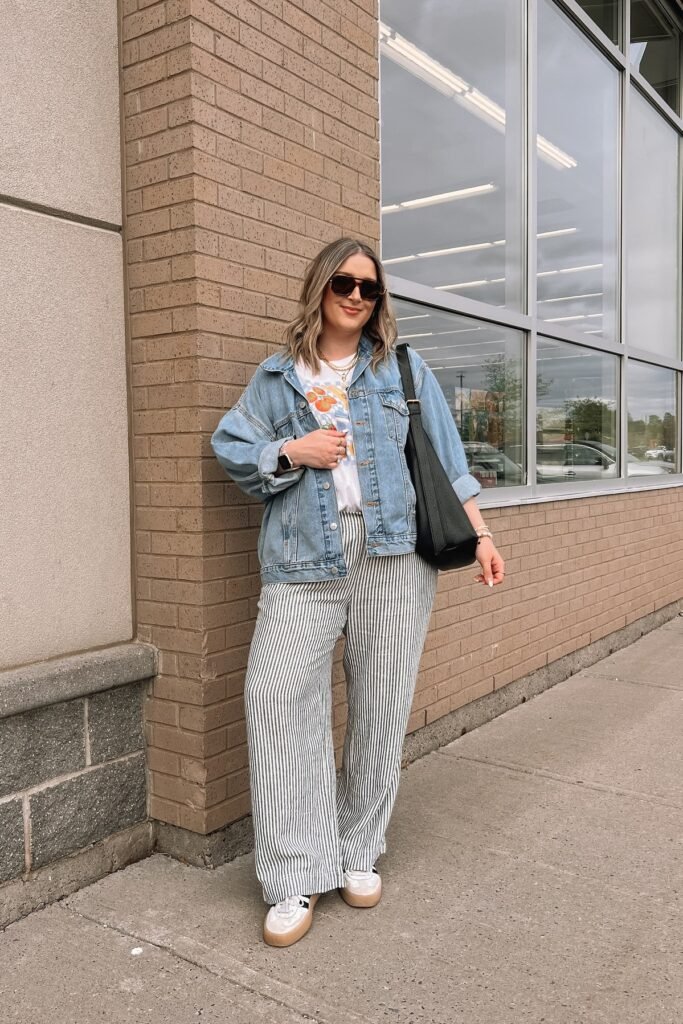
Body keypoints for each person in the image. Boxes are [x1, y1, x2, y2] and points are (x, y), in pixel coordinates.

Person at [211, 237, 505, 947]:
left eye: (368, 288)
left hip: (392, 554)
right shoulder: (277, 377)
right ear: (320, 286)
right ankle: (294, 871)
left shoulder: (400, 368)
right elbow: (231, 446)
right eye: (343, 283)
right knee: (277, 701)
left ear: (378, 301)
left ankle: (357, 848)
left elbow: (448, 461)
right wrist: (292, 450)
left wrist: (482, 536)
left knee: (380, 706)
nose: (354, 296)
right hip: (301, 556)